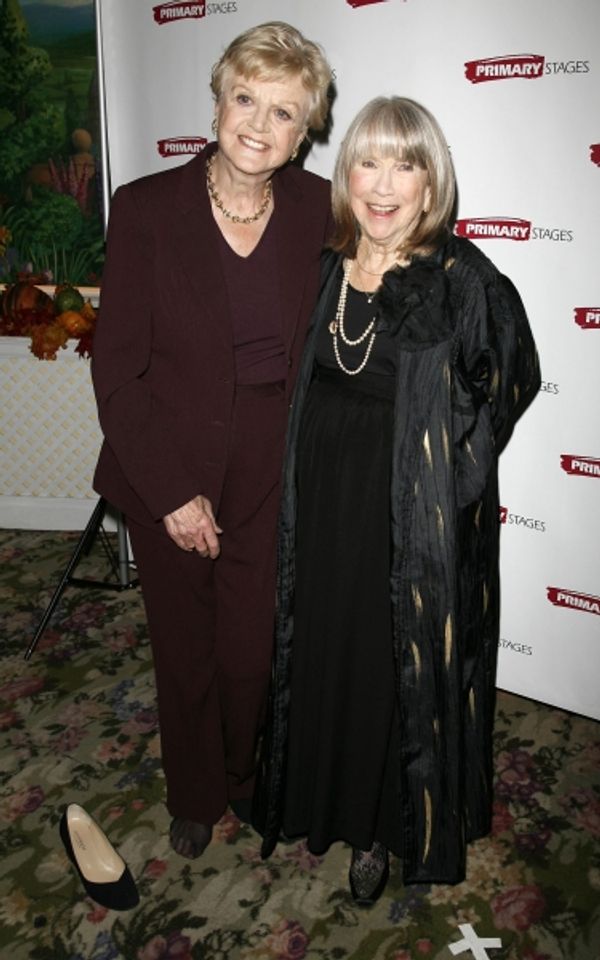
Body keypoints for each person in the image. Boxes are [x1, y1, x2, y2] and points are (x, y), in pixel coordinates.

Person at [253, 96, 541, 902]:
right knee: (323, 648)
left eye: (403, 164)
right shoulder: (321, 265)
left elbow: (511, 381)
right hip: (320, 504)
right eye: (367, 162)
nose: (383, 184)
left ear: (429, 181)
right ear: (346, 175)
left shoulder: (463, 281)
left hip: (402, 518)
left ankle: (382, 825)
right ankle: (316, 799)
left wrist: (453, 479)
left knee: (391, 667)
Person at [91, 22, 333, 860]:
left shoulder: (318, 206)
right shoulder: (148, 208)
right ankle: (196, 795)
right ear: (218, 99)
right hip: (170, 454)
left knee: (249, 652)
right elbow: (117, 372)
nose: (260, 125)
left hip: (276, 463)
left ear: (306, 131)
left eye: (285, 112)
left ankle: (241, 775)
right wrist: (167, 490)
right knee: (186, 649)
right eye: (246, 99)